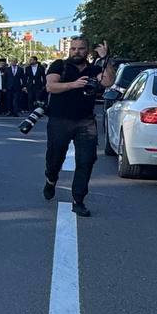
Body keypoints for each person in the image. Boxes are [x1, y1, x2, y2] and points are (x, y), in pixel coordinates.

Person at [44, 37, 113, 217]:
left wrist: (105, 59)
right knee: (55, 157)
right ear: (69, 50)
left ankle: (78, 200)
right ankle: (51, 180)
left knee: (86, 160)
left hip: (85, 121)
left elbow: (107, 82)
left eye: (81, 49)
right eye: (73, 49)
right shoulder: (59, 65)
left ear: (87, 51)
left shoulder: (94, 69)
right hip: (59, 119)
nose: (76, 52)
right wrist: (74, 85)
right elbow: (51, 86)